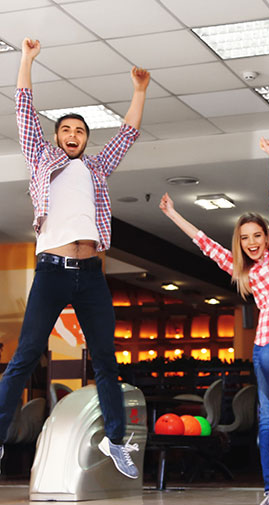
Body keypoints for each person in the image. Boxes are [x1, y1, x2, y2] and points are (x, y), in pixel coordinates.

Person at [0, 38, 150, 479]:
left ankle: (115, 439)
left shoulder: (97, 169)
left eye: (79, 131)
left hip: (91, 274)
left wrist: (139, 91)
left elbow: (128, 134)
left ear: (85, 140)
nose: (72, 136)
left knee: (105, 359)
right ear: (56, 137)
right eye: (66, 130)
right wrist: (27, 59)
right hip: (51, 272)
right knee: (25, 357)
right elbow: (24, 109)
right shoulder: (41, 158)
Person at [158, 138, 269, 505]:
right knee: (265, 420)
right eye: (244, 238)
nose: (251, 242)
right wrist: (172, 214)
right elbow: (203, 242)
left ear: (268, 237)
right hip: (268, 343)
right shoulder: (243, 271)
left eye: (256, 236)